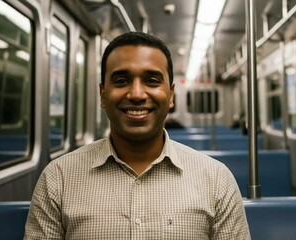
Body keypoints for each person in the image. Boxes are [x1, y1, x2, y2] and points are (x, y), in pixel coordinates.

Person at [24, 32, 250, 239]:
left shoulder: (216, 180)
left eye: (151, 81)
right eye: (121, 81)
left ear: (171, 95)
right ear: (103, 95)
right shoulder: (59, 178)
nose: (136, 94)